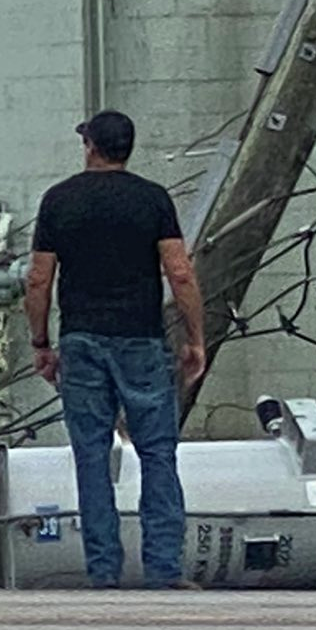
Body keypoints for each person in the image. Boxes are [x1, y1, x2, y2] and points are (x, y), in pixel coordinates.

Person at [25, 109, 207, 590]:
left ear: (90, 146)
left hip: (81, 341)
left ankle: (103, 571)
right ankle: (163, 569)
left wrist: (41, 342)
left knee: (90, 455)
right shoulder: (152, 200)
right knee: (158, 454)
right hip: (142, 340)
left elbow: (39, 278)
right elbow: (180, 272)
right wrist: (195, 338)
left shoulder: (59, 200)